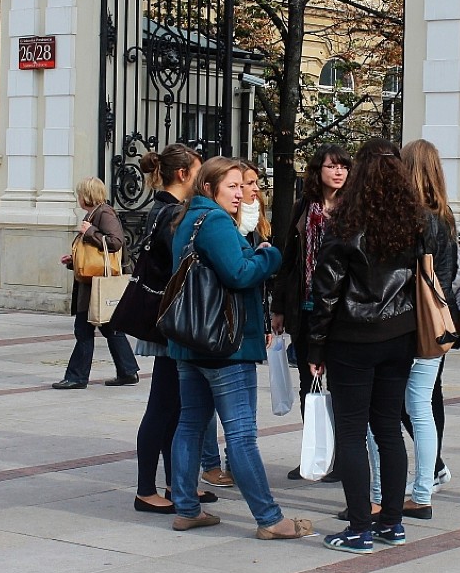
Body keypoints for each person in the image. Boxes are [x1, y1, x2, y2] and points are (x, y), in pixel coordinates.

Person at [168, 156, 312, 539]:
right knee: (241, 434)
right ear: (208, 188)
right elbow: (239, 273)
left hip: (192, 342)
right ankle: (270, 518)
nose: (241, 193)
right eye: (231, 186)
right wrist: (270, 254)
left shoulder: (188, 220)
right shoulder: (214, 221)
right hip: (224, 346)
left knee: (190, 426)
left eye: (242, 186)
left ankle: (185, 508)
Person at [308, 138, 428, 554]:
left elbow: (325, 291)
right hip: (399, 335)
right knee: (389, 430)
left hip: (353, 337)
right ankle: (392, 522)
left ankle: (360, 526)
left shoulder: (345, 223)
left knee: (353, 433)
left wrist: (315, 348)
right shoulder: (414, 221)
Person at [131, 144, 220, 513]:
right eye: (198, 171)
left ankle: (174, 483)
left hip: (166, 319)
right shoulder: (171, 214)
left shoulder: (159, 208)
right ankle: (145, 490)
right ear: (184, 174)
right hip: (174, 321)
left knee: (174, 406)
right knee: (163, 406)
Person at [270, 143, 350, 482]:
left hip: (344, 309)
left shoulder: (355, 209)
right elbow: (288, 256)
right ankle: (317, 452)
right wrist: (277, 306)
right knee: (309, 384)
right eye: (331, 166)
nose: (338, 171)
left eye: (343, 166)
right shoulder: (305, 206)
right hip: (305, 305)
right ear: (318, 171)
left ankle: (346, 459)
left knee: (345, 386)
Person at [396, 139, 458, 519]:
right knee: (424, 403)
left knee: (410, 405)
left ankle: (425, 480)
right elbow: (445, 276)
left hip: (412, 320)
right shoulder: (444, 215)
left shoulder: (414, 217)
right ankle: (427, 479)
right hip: (438, 319)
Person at [54, 178, 140, 389]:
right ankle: (128, 371)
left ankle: (77, 377)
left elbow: (116, 242)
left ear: (87, 195)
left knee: (83, 330)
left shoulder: (104, 213)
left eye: (80, 193)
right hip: (93, 282)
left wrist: (90, 231)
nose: (78, 197)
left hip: (98, 284)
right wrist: (73, 260)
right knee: (111, 327)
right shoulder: (93, 214)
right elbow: (93, 253)